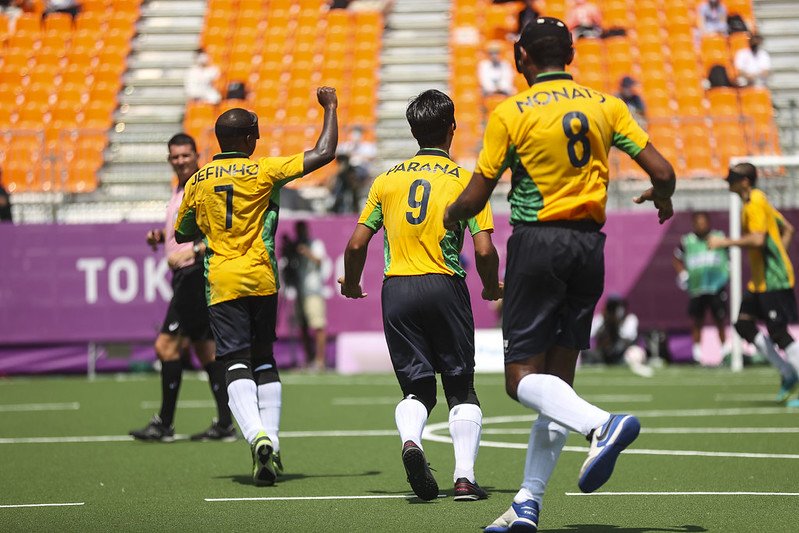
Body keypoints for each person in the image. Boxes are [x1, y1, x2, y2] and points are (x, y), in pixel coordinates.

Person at [443, 17, 676, 531]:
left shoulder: (511, 112)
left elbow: (478, 194)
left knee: (520, 381)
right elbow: (663, 172)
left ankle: (601, 424)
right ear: (570, 55)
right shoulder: (607, 104)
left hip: (538, 242)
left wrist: (451, 214)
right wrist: (661, 199)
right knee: (556, 386)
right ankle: (528, 501)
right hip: (590, 246)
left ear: (522, 58)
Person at [339, 89, 503, 502]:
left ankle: (412, 440)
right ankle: (464, 479)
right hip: (444, 283)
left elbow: (357, 244)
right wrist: (490, 286)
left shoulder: (386, 180)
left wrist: (354, 282)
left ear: (413, 130)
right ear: (452, 128)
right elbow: (483, 249)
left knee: (416, 390)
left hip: (397, 289)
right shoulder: (466, 181)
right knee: (461, 388)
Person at [174, 87, 338, 485]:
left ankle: (255, 434)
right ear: (248, 139)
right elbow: (324, 153)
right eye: (257, 135)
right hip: (262, 277)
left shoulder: (197, 180)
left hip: (223, 281)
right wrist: (330, 107)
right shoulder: (265, 170)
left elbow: (182, 233)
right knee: (264, 357)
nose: (259, 141)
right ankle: (273, 442)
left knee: (233, 360)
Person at [129, 134, 234, 442]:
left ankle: (165, 423)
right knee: (206, 351)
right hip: (186, 274)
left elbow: (220, 230)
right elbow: (186, 230)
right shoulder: (179, 188)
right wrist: (161, 238)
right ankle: (226, 423)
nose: (180, 161)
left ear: (196, 155)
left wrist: (195, 251)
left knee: (166, 346)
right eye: (175, 157)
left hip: (195, 274)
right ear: (169, 159)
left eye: (185, 155)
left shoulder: (201, 185)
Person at [708, 163, 799, 405]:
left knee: (778, 332)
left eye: (733, 179)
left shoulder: (756, 202)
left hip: (773, 281)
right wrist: (781, 254)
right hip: (760, 282)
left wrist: (724, 242)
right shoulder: (756, 202)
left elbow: (758, 239)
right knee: (743, 324)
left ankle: (790, 373)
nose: (729, 183)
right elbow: (787, 228)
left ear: (745, 181)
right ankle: (787, 373)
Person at [673, 211, 730, 365]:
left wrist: (729, 267)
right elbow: (676, 258)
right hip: (697, 288)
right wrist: (682, 274)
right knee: (697, 320)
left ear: (709, 223)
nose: (701, 225)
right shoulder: (687, 241)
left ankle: (726, 351)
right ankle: (697, 354)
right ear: (693, 224)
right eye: (698, 222)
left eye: (704, 222)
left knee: (719, 318)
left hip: (716, 286)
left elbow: (730, 252)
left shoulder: (718, 237)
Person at [583, 295, 653, 377]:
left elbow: (628, 338)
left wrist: (616, 324)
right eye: (611, 308)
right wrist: (605, 325)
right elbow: (592, 336)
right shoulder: (600, 319)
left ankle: (636, 366)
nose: (614, 311)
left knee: (635, 352)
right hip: (603, 355)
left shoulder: (630, 319)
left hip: (622, 354)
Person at [293, 220, 331, 371]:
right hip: (300, 291)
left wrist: (306, 252)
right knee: (302, 327)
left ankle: (320, 360)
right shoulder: (295, 247)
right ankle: (309, 360)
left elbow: (320, 261)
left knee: (318, 325)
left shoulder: (315, 244)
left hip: (313, 290)